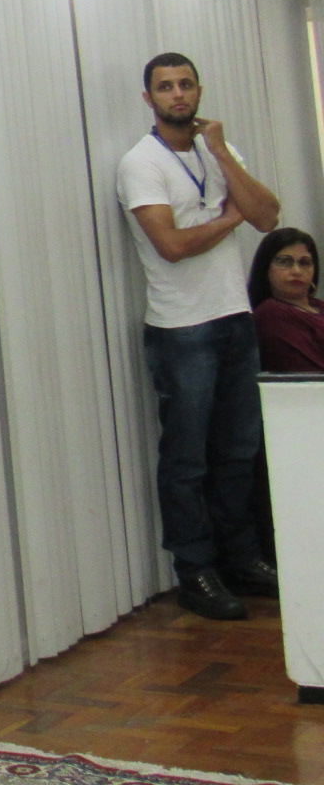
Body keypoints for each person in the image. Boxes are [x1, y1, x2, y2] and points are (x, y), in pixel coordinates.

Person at [116, 52, 280, 621]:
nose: (178, 95)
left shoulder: (219, 151)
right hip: (181, 328)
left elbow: (267, 216)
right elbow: (172, 246)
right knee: (187, 460)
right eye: (165, 87)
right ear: (149, 99)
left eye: (186, 84)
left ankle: (242, 559)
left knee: (238, 453)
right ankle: (196, 572)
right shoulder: (140, 163)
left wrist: (222, 155)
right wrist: (229, 218)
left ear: (199, 91)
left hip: (235, 317)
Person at [249, 228, 324, 373]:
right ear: (266, 268)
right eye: (284, 261)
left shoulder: (319, 306)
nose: (296, 271)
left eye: (305, 263)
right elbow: (309, 372)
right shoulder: (271, 313)